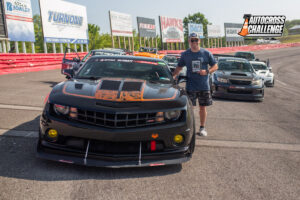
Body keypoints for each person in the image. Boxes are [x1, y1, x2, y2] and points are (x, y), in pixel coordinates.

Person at [172, 32, 218, 136]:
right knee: (190, 108)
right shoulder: (185, 54)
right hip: (191, 86)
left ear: (199, 41)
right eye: (192, 40)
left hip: (203, 86)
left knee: (202, 107)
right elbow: (178, 68)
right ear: (189, 41)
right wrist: (171, 77)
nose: (194, 42)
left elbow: (215, 66)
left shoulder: (206, 53)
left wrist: (206, 72)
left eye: (196, 40)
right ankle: (190, 128)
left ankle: (202, 128)